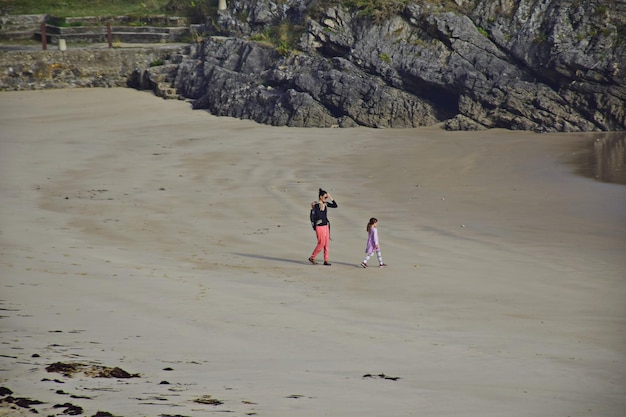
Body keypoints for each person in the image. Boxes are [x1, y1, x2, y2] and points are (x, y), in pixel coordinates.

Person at [309, 188, 338, 266]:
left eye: (326, 197)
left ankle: (326, 260)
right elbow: (318, 216)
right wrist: (322, 209)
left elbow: (335, 205)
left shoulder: (325, 204)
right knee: (321, 243)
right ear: (321, 197)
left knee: (326, 244)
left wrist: (330, 196)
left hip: (326, 226)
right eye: (325, 197)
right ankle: (312, 257)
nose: (326, 199)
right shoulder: (316, 205)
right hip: (319, 227)